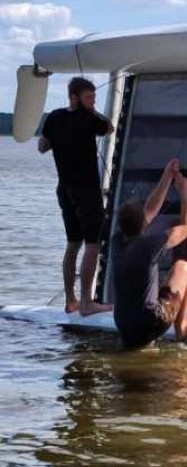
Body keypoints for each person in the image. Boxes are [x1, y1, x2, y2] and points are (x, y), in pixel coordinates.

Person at [38, 76, 115, 316]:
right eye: (89, 97)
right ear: (74, 97)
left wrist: (60, 141)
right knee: (93, 242)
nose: (92, 102)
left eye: (94, 97)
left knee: (73, 243)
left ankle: (71, 300)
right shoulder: (90, 118)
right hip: (87, 191)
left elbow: (42, 146)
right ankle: (86, 303)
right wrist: (92, 112)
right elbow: (110, 127)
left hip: (65, 190)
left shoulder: (54, 117)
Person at [111, 159, 187, 348]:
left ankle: (145, 342)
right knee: (183, 267)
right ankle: (182, 328)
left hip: (123, 324)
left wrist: (167, 175)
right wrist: (184, 192)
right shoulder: (150, 245)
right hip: (149, 323)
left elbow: (150, 210)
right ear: (143, 224)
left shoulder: (117, 242)